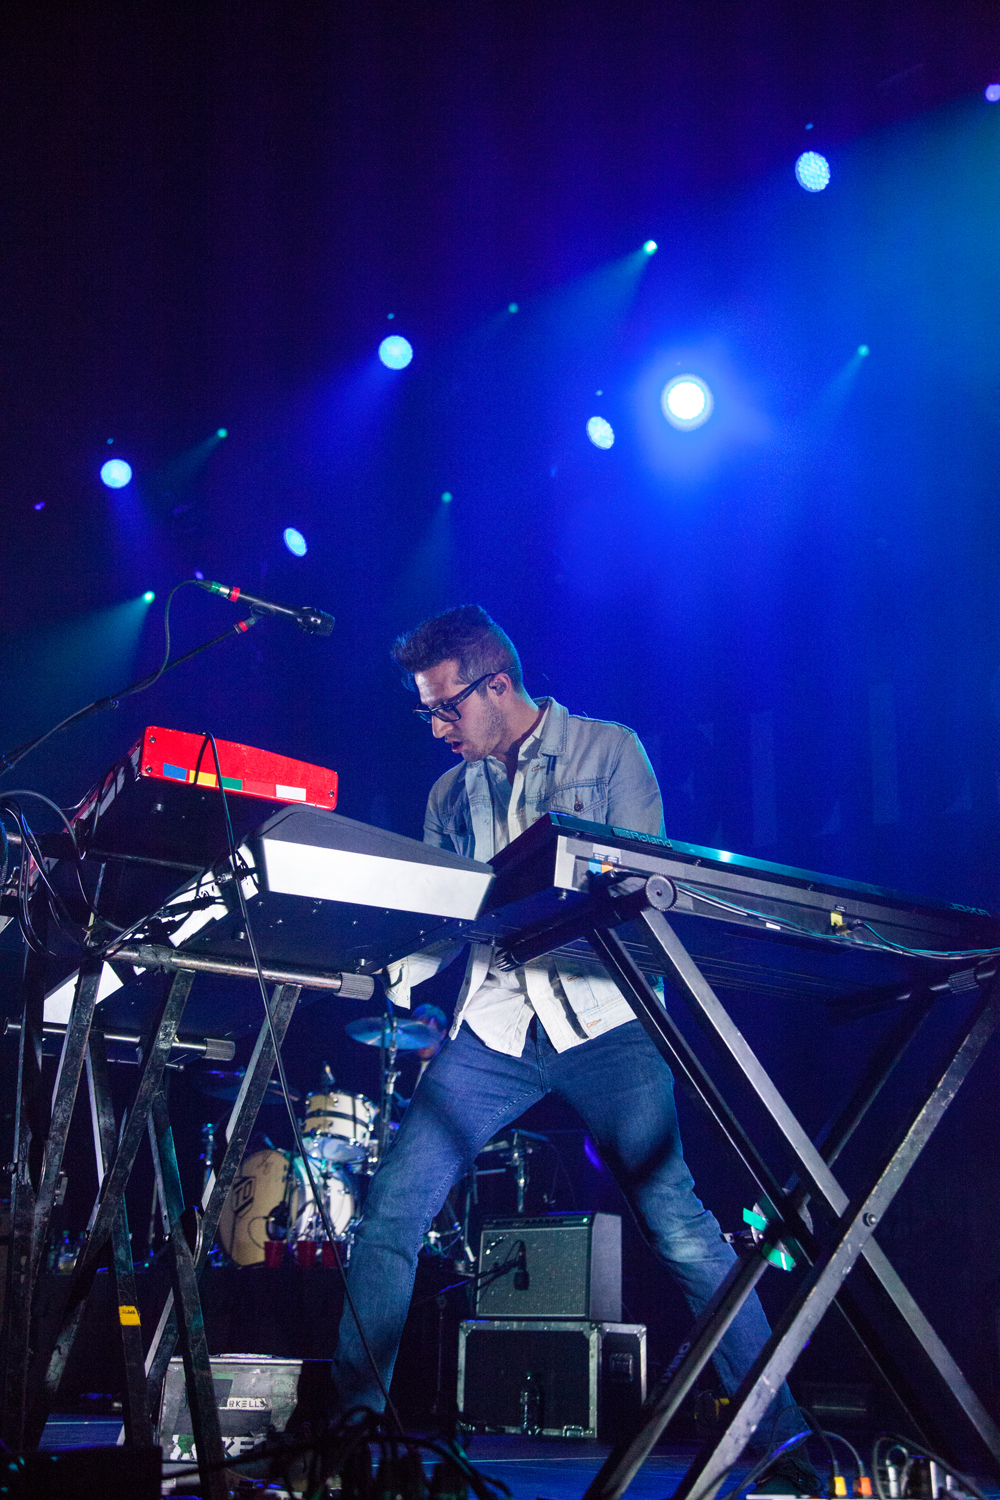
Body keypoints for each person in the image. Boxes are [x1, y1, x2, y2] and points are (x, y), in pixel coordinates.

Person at [332, 606, 812, 1488]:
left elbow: (643, 893)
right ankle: (351, 1437)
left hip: (607, 1022)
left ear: (498, 686)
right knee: (392, 1213)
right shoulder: (449, 795)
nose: (437, 730)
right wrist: (384, 966)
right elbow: (446, 923)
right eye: (427, 713)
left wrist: (521, 908)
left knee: (682, 1231)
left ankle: (782, 1437)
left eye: (447, 710)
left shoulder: (609, 752)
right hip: (496, 1029)